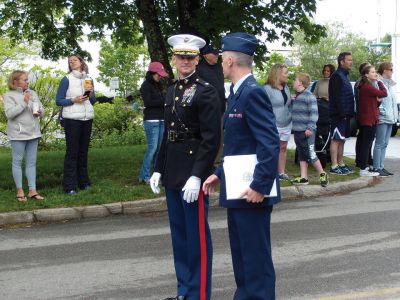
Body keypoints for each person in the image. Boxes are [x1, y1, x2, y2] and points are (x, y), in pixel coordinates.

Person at [203, 32, 280, 300]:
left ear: (230, 60)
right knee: (243, 257)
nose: (222, 63)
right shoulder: (238, 93)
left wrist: (260, 186)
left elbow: (268, 144)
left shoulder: (252, 93)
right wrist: (218, 174)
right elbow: (240, 147)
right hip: (238, 189)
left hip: (252, 192)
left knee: (255, 259)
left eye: (223, 59)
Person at [149, 34, 221, 300]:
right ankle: (184, 292)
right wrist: (158, 168)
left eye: (190, 57)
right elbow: (170, 134)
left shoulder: (206, 90)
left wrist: (198, 175)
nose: (185, 62)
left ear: (198, 60)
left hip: (192, 173)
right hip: (173, 171)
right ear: (174, 60)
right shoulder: (171, 91)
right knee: (180, 238)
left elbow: (211, 138)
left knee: (197, 239)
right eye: (181, 57)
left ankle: (199, 295)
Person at [56, 54, 96, 195]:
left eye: (74, 60)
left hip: (87, 118)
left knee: (83, 152)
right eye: (70, 61)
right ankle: (70, 186)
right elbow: (59, 100)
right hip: (72, 119)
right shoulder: (66, 79)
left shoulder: (88, 79)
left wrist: (91, 95)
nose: (72, 62)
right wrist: (73, 100)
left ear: (81, 62)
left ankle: (84, 182)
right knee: (72, 153)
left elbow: (93, 101)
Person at [3, 70, 45, 202]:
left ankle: (32, 190)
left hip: (33, 133)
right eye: (24, 80)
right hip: (18, 134)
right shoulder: (8, 95)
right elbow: (9, 114)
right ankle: (19, 190)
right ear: (15, 81)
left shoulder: (32, 93)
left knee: (32, 162)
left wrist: (38, 111)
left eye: (27, 79)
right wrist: (24, 102)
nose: (27, 82)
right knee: (17, 161)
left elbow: (41, 110)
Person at [291, 73, 329, 187]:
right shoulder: (297, 97)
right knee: (302, 154)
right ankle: (304, 177)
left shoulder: (309, 96)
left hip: (307, 132)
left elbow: (314, 114)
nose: (293, 82)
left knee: (311, 154)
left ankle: (323, 174)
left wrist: (310, 127)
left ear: (300, 83)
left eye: (295, 80)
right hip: (297, 131)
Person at [138, 61, 168, 184]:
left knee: (159, 149)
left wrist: (162, 100)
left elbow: (156, 102)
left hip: (161, 119)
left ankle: (156, 175)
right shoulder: (145, 86)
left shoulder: (158, 85)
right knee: (152, 149)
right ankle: (144, 176)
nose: (160, 76)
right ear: (152, 73)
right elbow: (149, 103)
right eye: (158, 74)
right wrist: (164, 100)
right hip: (151, 121)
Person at [197, 44, 226, 167]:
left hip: (221, 108)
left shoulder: (219, 67)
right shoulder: (200, 69)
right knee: (207, 136)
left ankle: (216, 162)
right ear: (205, 55)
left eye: (217, 53)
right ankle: (204, 161)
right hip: (207, 109)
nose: (216, 55)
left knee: (220, 136)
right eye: (214, 54)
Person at [357, 65, 387, 176]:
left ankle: (364, 167)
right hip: (368, 120)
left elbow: (373, 103)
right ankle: (363, 169)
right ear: (366, 74)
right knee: (366, 144)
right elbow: (384, 93)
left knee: (367, 143)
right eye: (373, 72)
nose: (375, 74)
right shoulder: (367, 87)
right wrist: (379, 82)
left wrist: (377, 100)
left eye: (375, 72)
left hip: (370, 118)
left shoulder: (367, 86)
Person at [328, 52, 355, 175]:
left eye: (351, 60)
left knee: (342, 140)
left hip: (346, 114)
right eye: (349, 60)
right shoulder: (337, 76)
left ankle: (341, 163)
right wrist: (341, 113)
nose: (351, 62)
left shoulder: (344, 76)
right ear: (341, 61)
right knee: (336, 139)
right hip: (338, 115)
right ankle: (334, 166)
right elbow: (336, 97)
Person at [264, 63, 292, 180]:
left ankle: (281, 173)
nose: (288, 75)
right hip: (273, 124)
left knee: (283, 148)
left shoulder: (286, 88)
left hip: (286, 123)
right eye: (285, 73)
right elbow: (264, 108)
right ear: (277, 74)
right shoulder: (267, 89)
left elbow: (288, 105)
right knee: (272, 149)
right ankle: (270, 172)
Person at [372, 62, 398, 176]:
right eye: (390, 69)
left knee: (385, 143)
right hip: (383, 118)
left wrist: (394, 116)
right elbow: (378, 100)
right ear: (384, 70)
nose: (392, 71)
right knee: (379, 143)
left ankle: (381, 166)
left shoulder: (389, 85)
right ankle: (376, 167)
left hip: (390, 119)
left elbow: (392, 103)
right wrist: (382, 113)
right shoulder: (378, 83)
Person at [354, 63, 372, 168]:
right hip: (363, 114)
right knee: (363, 138)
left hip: (362, 113)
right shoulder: (360, 84)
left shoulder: (362, 83)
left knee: (364, 138)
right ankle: (361, 160)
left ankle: (366, 158)